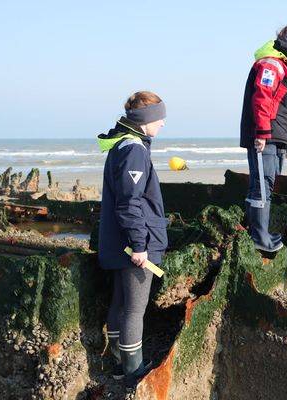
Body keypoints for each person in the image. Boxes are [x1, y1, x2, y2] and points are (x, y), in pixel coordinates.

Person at [97, 91, 169, 387]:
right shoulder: (134, 150)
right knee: (134, 310)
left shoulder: (121, 144)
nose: (163, 123)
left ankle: (118, 363)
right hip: (133, 246)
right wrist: (140, 245)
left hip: (118, 242)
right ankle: (133, 370)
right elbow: (129, 203)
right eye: (160, 117)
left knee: (121, 303)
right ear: (146, 120)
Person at [240, 25, 287, 253]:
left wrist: (284, 141)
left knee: (265, 184)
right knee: (263, 186)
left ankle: (255, 232)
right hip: (265, 135)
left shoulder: (283, 66)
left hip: (276, 136)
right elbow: (262, 99)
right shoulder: (272, 65)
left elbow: (282, 107)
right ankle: (260, 238)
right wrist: (262, 134)